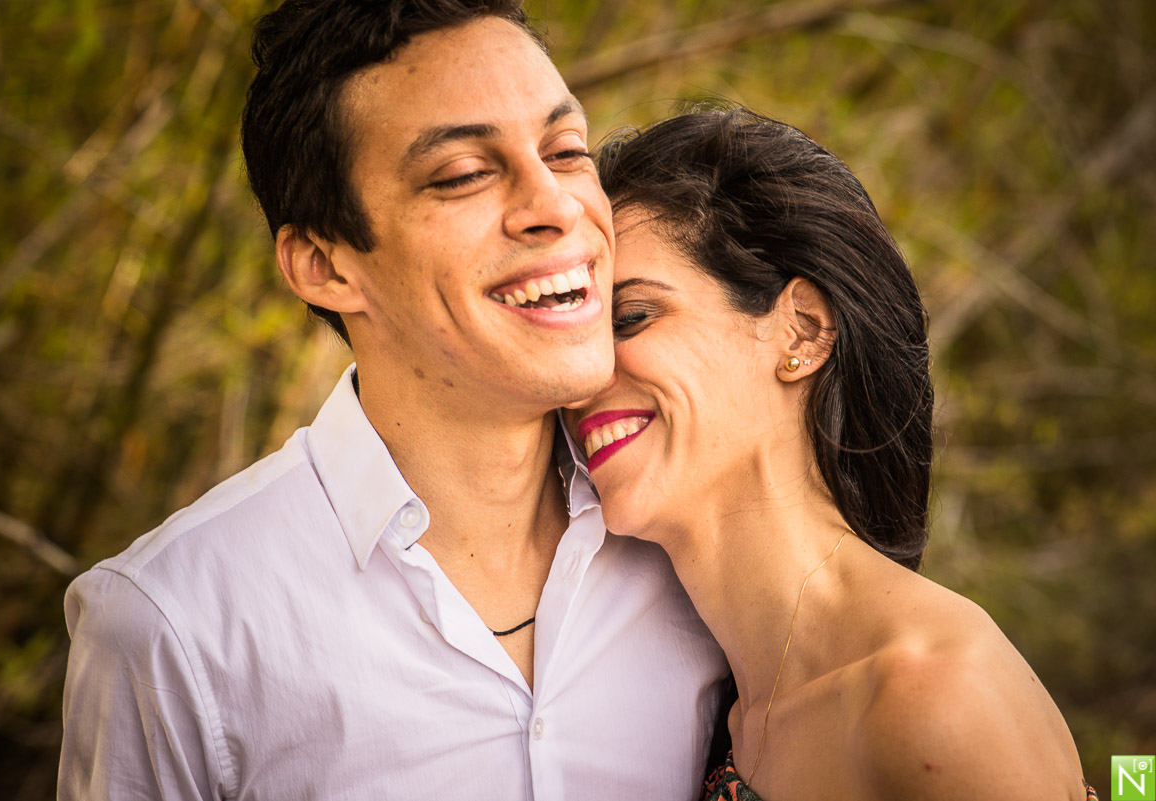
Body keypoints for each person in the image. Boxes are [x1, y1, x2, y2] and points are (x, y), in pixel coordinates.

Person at [57, 2, 728, 798]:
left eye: (565, 150)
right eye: (463, 175)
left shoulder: (694, 535)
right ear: (323, 263)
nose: (555, 205)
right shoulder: (171, 624)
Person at [565, 108, 1094, 801]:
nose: (580, 374)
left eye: (630, 316)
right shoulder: (706, 702)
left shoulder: (933, 693)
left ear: (802, 331)